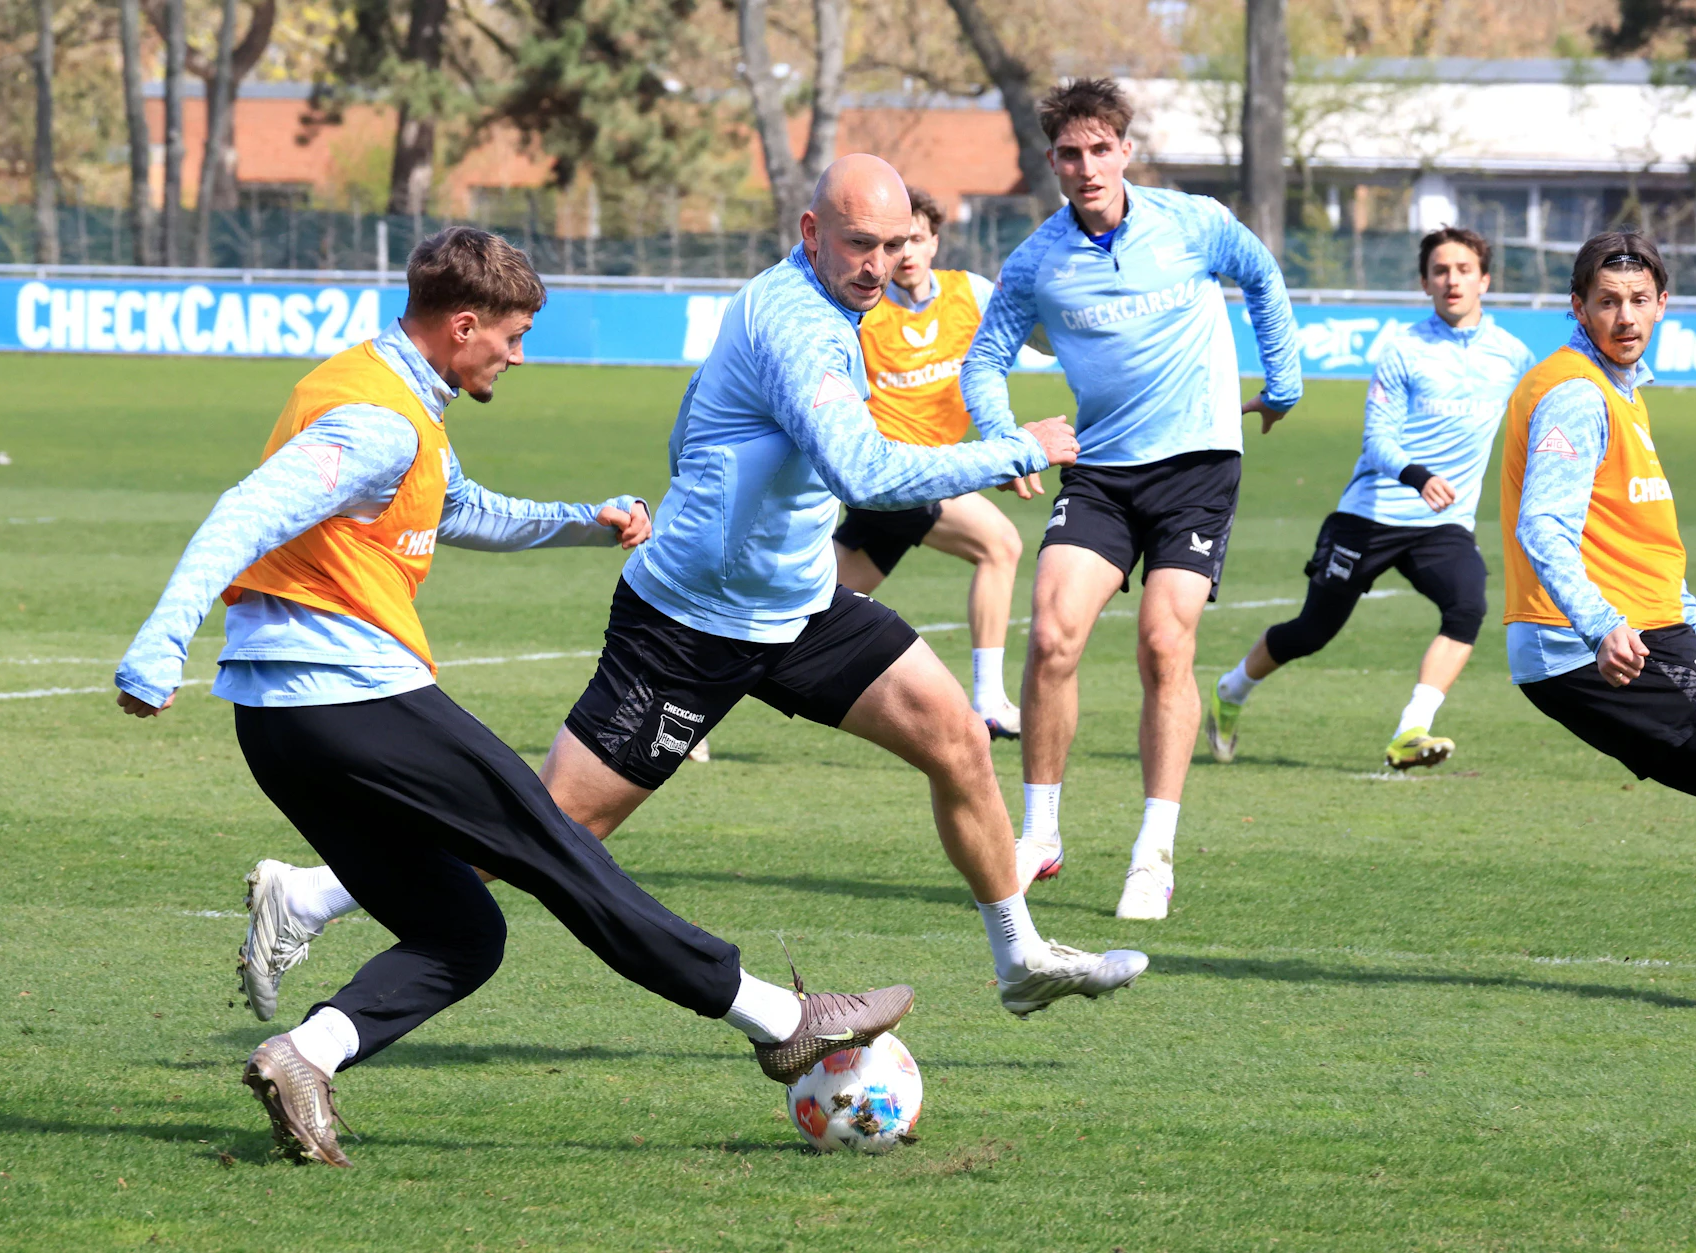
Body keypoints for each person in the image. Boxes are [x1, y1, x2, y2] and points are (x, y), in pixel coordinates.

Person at [236, 158, 1149, 1029]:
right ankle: (311, 895)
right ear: (811, 232)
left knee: (955, 736)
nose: (878, 265)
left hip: (796, 606)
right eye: (858, 243)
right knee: (551, 831)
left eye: (893, 242)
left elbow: (700, 427)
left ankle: (1020, 958)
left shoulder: (825, 303)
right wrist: (1020, 446)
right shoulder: (795, 321)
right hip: (687, 627)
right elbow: (861, 468)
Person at [116, 227, 916, 1168]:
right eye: (512, 335)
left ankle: (305, 1054)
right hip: (350, 699)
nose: (520, 355)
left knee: (464, 929)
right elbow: (247, 509)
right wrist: (158, 644)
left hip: (280, 726)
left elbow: (455, 506)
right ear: (463, 325)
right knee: (560, 852)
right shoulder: (374, 420)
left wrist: (586, 522)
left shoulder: (381, 391)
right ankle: (784, 1019)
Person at [961, 78, 1302, 920]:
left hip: (1196, 465)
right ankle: (1040, 832)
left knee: (1162, 644)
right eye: (1069, 154)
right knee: (1051, 635)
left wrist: (1284, 381)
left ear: (1124, 149)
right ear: (1053, 161)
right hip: (1104, 471)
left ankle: (1154, 853)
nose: (1086, 166)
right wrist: (1007, 439)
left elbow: (1261, 274)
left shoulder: (1191, 222)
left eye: (1100, 150)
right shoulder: (1037, 260)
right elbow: (983, 361)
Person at [1500, 231, 1696, 1009]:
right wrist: (1599, 625)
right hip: (1589, 637)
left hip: (1648, 624)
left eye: (1637, 300)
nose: (1623, 315)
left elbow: (1647, 547)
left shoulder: (1620, 388)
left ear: (1663, 303)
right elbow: (1544, 527)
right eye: (1606, 301)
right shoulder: (1575, 391)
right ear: (1578, 306)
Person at [1206, 226, 1534, 770]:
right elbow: (1377, 440)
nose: (1452, 280)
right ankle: (1231, 690)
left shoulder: (1513, 357)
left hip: (1443, 523)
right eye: (1440, 271)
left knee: (1468, 603)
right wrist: (1417, 474)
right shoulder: (1403, 350)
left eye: (1463, 270)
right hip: (1371, 514)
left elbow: (1542, 412)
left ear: (1485, 279)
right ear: (1425, 282)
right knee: (1312, 632)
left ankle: (1411, 729)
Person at [833, 186, 1028, 739]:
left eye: (916, 238)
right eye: (896, 243)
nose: (908, 252)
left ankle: (696, 709)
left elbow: (1033, 335)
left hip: (929, 475)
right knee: (1001, 544)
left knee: (806, 605)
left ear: (936, 241)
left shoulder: (971, 294)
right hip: (893, 472)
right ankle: (988, 700)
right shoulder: (863, 312)